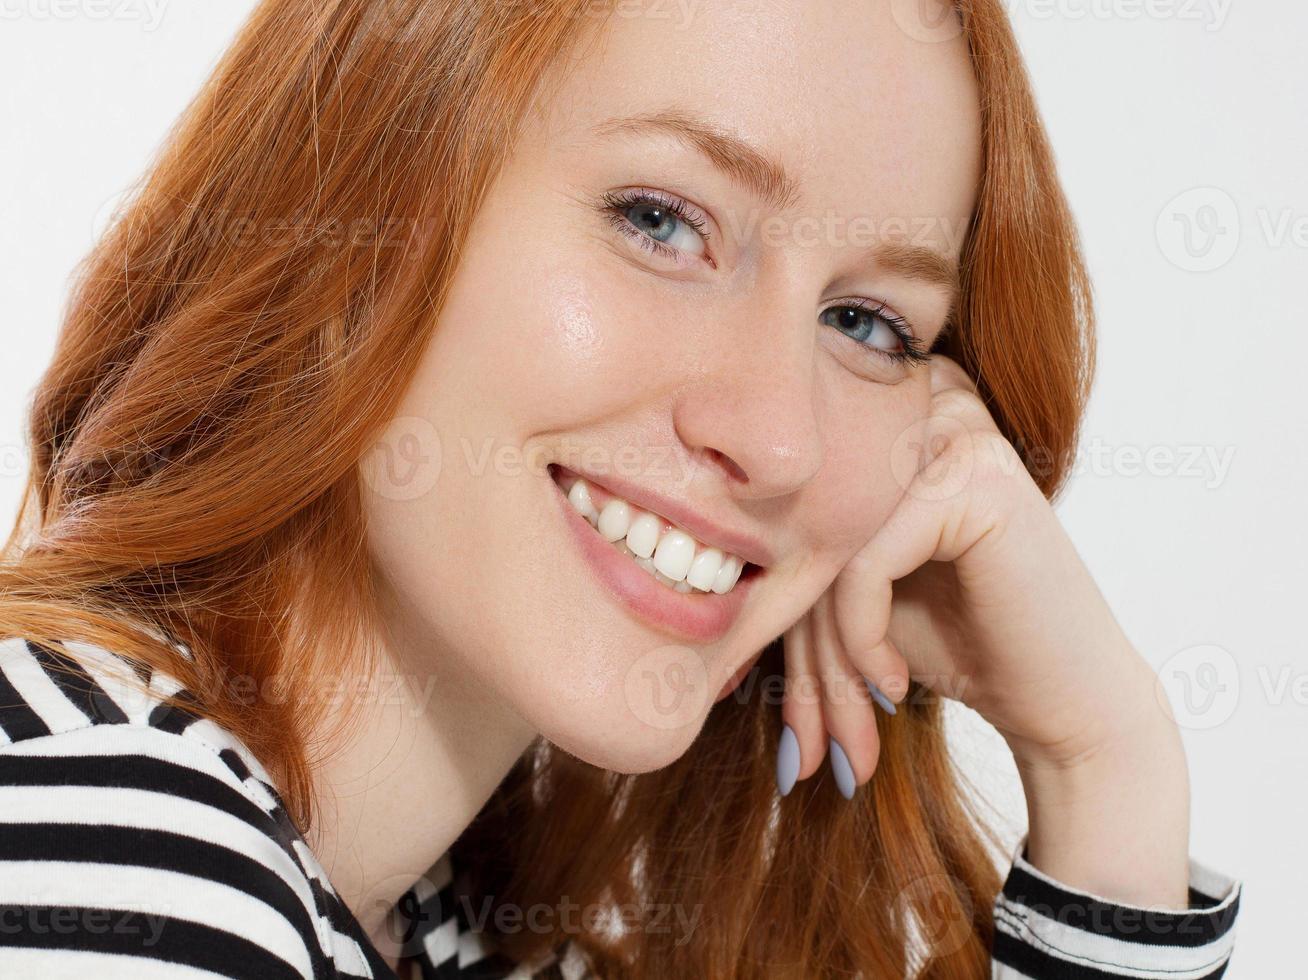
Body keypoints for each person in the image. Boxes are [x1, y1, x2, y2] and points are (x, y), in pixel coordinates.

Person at [0, 0, 1240, 976]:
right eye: (659, 220)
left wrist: (1099, 768)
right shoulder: (129, 865)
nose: (777, 437)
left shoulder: (447, 926)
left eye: (866, 322)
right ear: (361, 192)